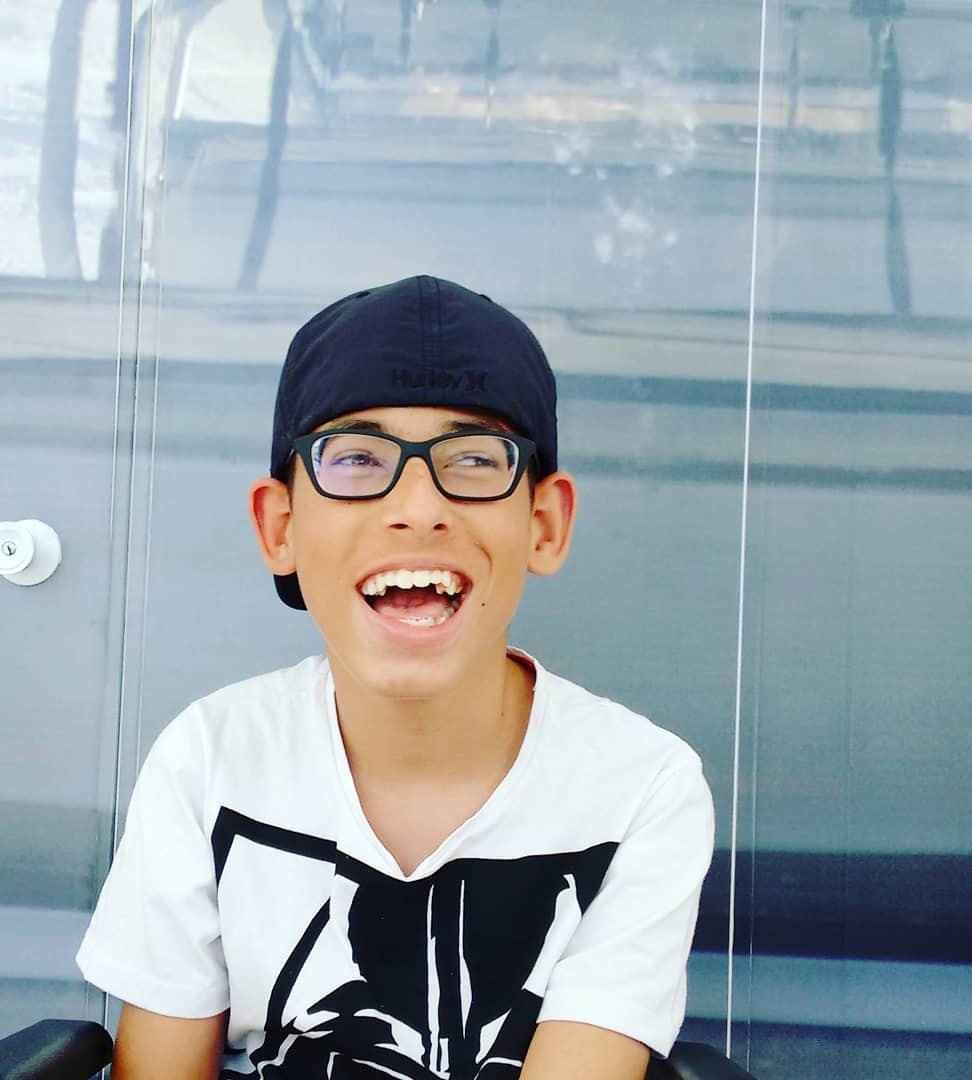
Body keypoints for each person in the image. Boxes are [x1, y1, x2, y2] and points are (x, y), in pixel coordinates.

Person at [76, 275, 715, 1080]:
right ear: (280, 527)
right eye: (356, 458)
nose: (418, 507)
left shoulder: (642, 786)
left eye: (474, 459)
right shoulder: (210, 757)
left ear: (545, 526)